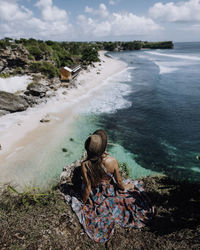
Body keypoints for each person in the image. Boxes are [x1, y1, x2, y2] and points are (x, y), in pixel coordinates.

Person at [71, 129, 154, 243]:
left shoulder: (85, 165)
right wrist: (127, 187)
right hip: (109, 191)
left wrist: (83, 202)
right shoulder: (112, 161)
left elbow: (88, 187)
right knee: (132, 186)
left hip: (95, 195)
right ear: (103, 149)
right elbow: (119, 183)